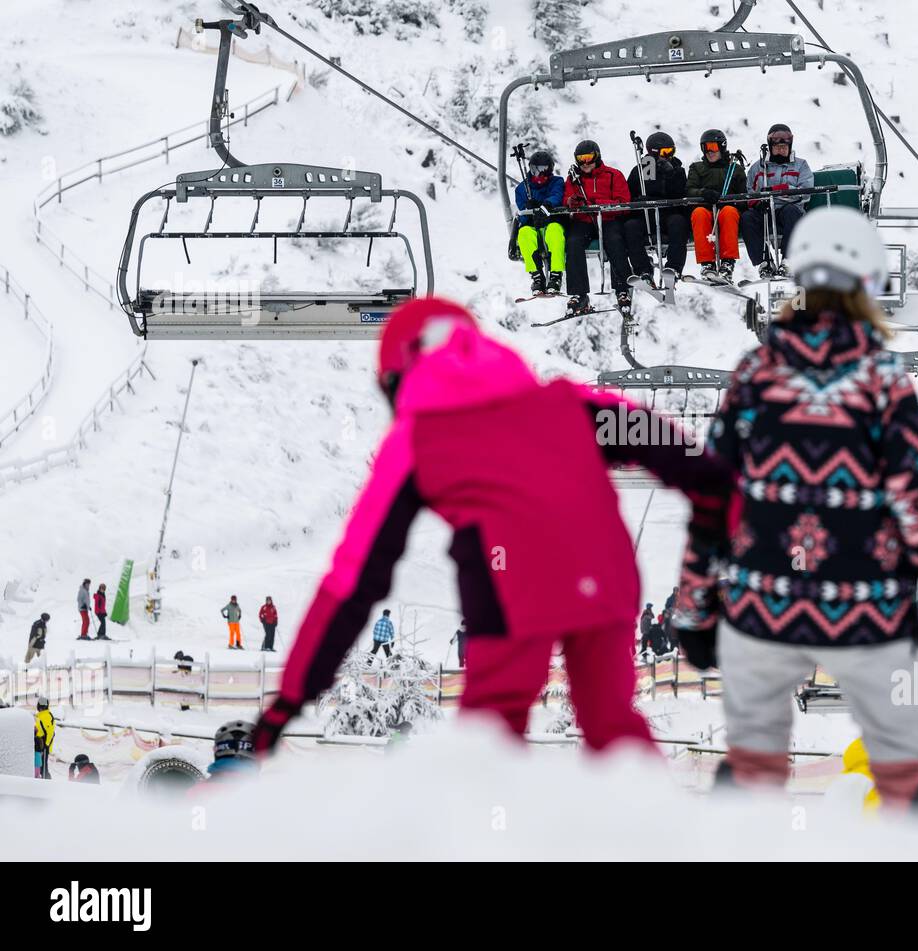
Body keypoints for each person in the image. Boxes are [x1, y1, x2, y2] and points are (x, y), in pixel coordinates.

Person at [249, 296, 732, 758]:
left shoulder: (417, 439)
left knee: (492, 727)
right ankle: (651, 828)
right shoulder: (566, 403)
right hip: (607, 575)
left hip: (509, 586)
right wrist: (719, 521)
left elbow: (356, 577)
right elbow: (680, 456)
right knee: (611, 722)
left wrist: (291, 697)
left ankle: (487, 834)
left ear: (400, 377)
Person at [671, 207, 918, 811]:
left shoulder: (756, 374)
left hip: (764, 603)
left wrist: (694, 607)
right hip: (864, 606)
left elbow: (712, 500)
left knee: (752, 757)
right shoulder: (882, 381)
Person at [562, 139, 633, 316]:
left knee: (615, 240)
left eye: (589, 158)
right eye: (581, 159)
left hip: (608, 219)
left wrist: (597, 203)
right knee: (573, 242)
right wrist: (572, 202)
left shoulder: (613, 175)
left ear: (597, 156)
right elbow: (566, 200)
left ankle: (622, 288)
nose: (585, 163)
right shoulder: (573, 179)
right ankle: (579, 293)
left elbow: (624, 202)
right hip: (584, 221)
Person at [739, 123, 813, 278]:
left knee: (792, 212)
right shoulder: (758, 169)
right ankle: (764, 262)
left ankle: (789, 260)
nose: (781, 149)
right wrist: (758, 201)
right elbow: (750, 192)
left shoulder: (801, 165)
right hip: (766, 211)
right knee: (747, 218)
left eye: (784, 147)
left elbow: (805, 192)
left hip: (789, 210)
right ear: (770, 146)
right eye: (778, 147)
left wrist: (779, 190)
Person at [624, 131, 689, 283]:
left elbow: (681, 193)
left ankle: (673, 268)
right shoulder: (641, 171)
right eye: (665, 152)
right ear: (653, 152)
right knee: (630, 226)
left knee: (678, 222)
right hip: (646, 217)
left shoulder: (677, 169)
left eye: (672, 151)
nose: (669, 155)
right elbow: (629, 196)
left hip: (668, 214)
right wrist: (639, 200)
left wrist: (671, 175)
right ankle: (643, 270)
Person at [685, 129, 747, 281]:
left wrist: (733, 200)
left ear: (722, 146)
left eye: (712, 147)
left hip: (727, 211)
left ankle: (727, 263)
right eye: (704, 148)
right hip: (706, 210)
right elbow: (689, 190)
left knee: (729, 212)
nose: (709, 152)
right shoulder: (697, 168)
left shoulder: (735, 170)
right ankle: (707, 263)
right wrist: (703, 193)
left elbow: (744, 195)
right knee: (699, 213)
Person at [514, 149, 566, 297]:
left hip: (551, 223)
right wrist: (528, 209)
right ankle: (537, 275)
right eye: (535, 170)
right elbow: (522, 211)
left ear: (550, 170)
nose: (539, 174)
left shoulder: (557, 182)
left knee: (555, 232)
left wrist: (546, 205)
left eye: (544, 170)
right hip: (533, 227)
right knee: (524, 234)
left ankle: (555, 275)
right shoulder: (522, 189)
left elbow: (557, 195)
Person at [34, 696, 54, 779]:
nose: (41, 708)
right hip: (39, 744)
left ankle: (46, 781)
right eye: (40, 706)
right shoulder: (40, 715)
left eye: (43, 706)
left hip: (44, 745)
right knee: (39, 765)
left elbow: (50, 732)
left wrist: (46, 744)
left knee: (43, 767)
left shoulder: (46, 716)